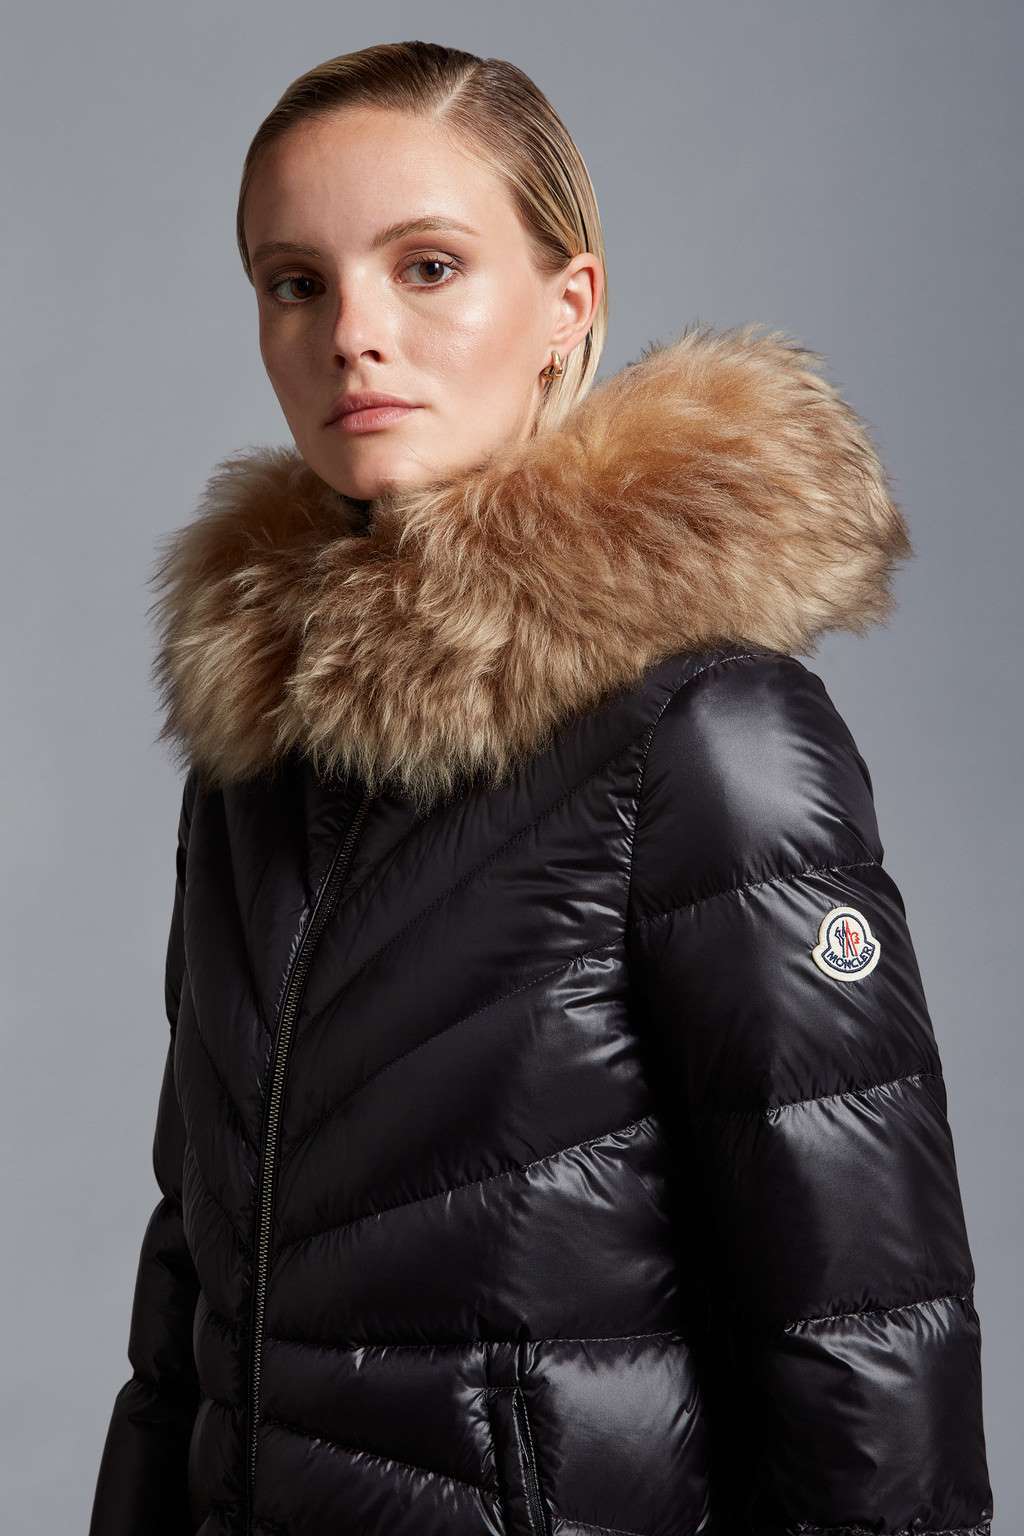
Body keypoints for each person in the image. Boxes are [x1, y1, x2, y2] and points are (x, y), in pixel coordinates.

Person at [88, 38, 994, 1536]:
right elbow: (190, 1275)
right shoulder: (258, 752)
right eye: (295, 282)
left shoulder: (710, 734)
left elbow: (864, 1330)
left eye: (428, 267)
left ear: (568, 307)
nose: (352, 335)